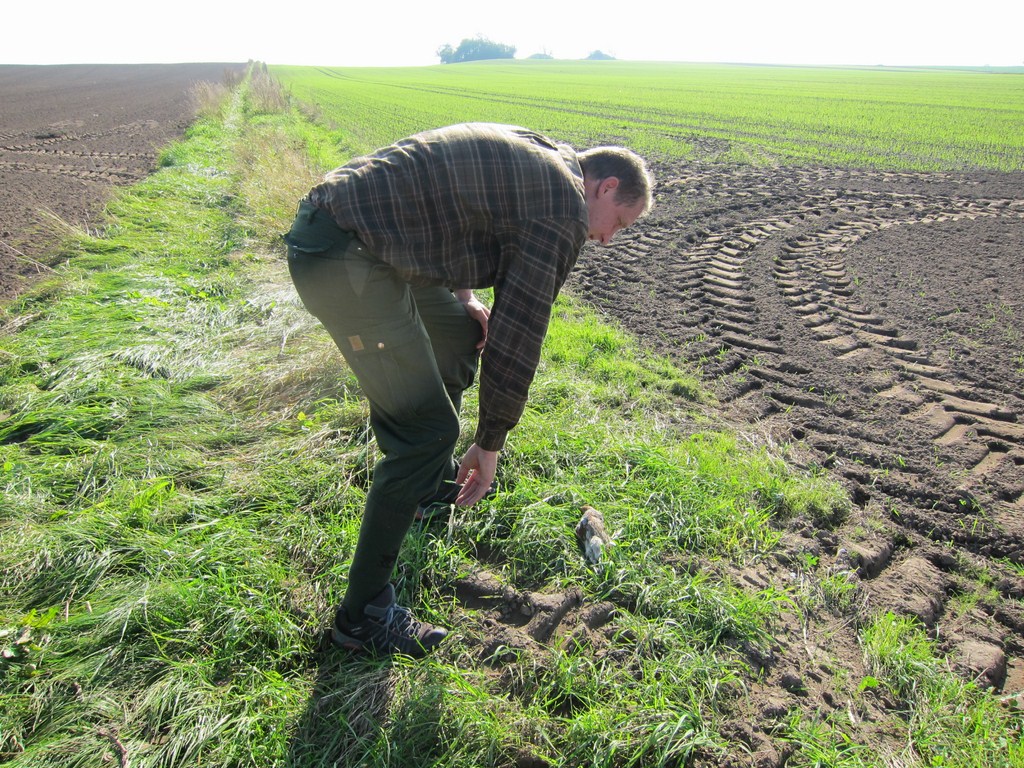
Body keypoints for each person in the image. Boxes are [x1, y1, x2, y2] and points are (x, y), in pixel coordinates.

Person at [284, 122, 653, 657]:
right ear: (607, 187)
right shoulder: (564, 209)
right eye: (618, 222)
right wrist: (490, 442)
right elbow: (518, 333)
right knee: (428, 431)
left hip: (359, 234)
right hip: (340, 254)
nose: (607, 239)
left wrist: (463, 297)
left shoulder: (545, 155)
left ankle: (427, 489)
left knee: (459, 332)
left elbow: (445, 211)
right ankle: (362, 618)